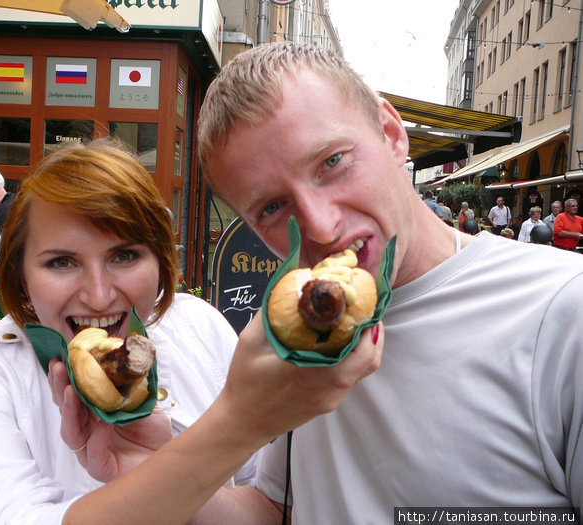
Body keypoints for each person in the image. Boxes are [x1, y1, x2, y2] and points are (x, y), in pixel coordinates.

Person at [49, 42, 582, 524]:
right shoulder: (287, 340)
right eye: (273, 208)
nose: (322, 227)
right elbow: (273, 510)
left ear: (392, 134)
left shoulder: (562, 311)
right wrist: (157, 469)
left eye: (332, 163)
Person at [0, 140, 262, 524]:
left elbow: (264, 495)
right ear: (21, 274)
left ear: (162, 262)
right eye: (62, 262)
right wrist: (165, 482)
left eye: (125, 256)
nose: (99, 298)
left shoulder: (200, 326)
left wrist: (164, 474)